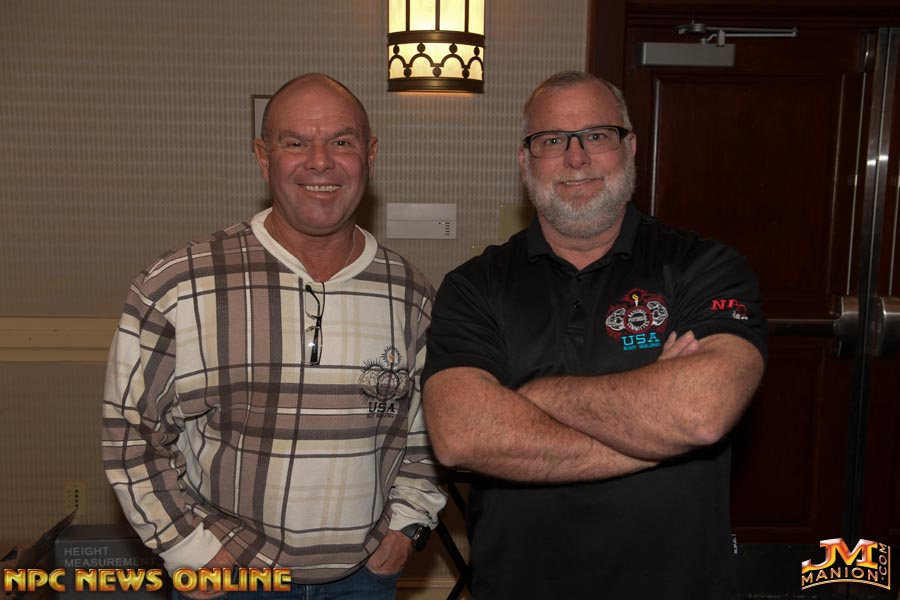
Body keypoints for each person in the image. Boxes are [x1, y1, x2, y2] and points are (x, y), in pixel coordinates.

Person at [422, 70, 767, 599]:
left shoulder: (705, 266)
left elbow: (702, 412)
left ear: (630, 148)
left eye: (597, 135)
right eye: (552, 140)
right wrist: (654, 433)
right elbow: (461, 435)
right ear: (525, 161)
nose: (576, 158)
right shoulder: (474, 286)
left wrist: (535, 396)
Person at [102, 73, 446, 599]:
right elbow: (130, 432)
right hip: (230, 577)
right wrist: (186, 548)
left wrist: (408, 524)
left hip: (362, 582)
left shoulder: (410, 293)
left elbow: (426, 431)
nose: (320, 162)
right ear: (264, 158)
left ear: (370, 155)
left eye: (341, 142)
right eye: (295, 143)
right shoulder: (178, 283)